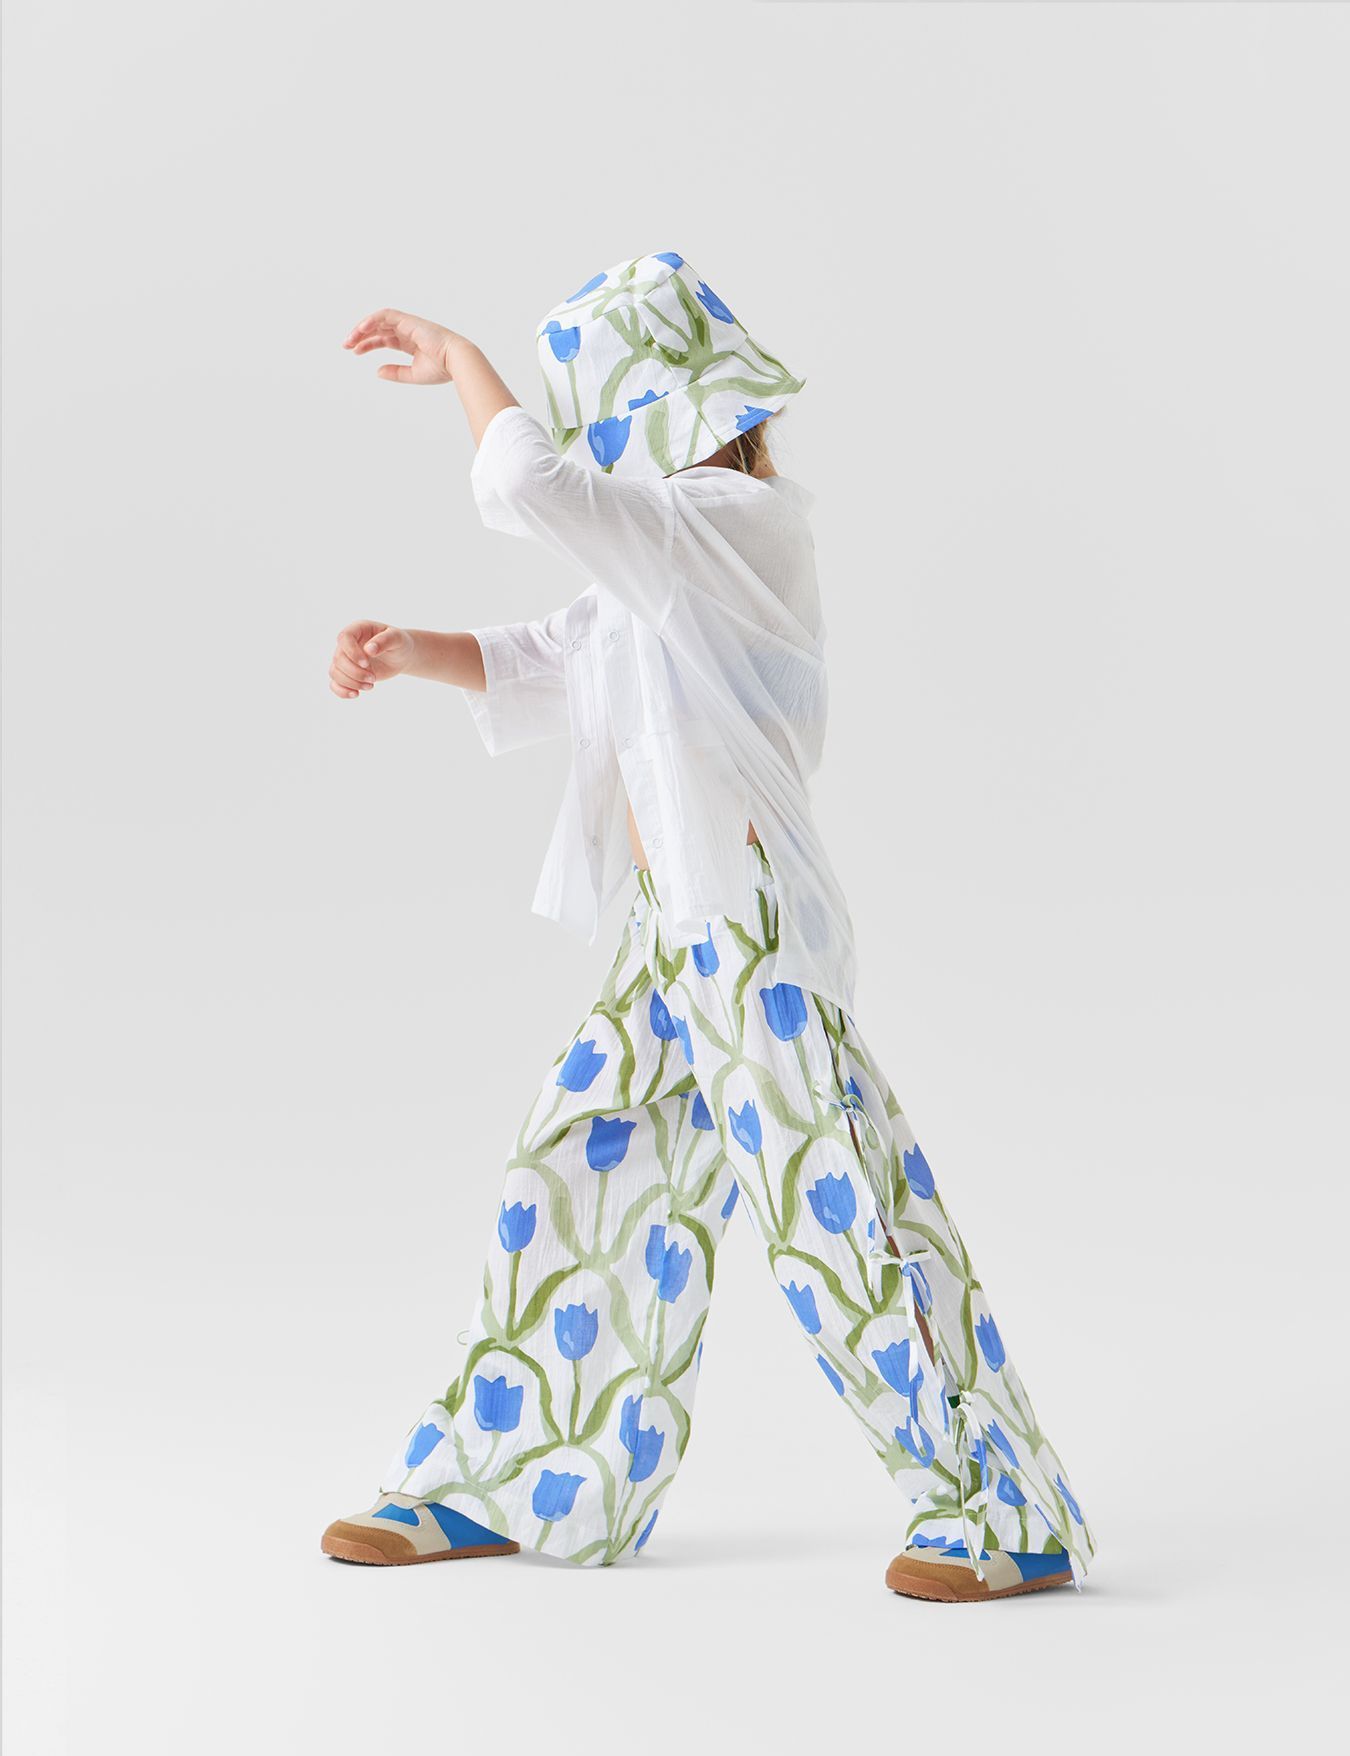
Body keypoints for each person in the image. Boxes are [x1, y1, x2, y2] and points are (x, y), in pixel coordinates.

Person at [320, 251, 1095, 1601]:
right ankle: (512, 1479)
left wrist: (462, 362)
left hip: (749, 937)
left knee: (836, 1212)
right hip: (666, 940)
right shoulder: (659, 548)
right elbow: (554, 654)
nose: (575, 434)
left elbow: (529, 487)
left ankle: (1000, 1509)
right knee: (574, 1161)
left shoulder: (735, 528)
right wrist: (409, 651)